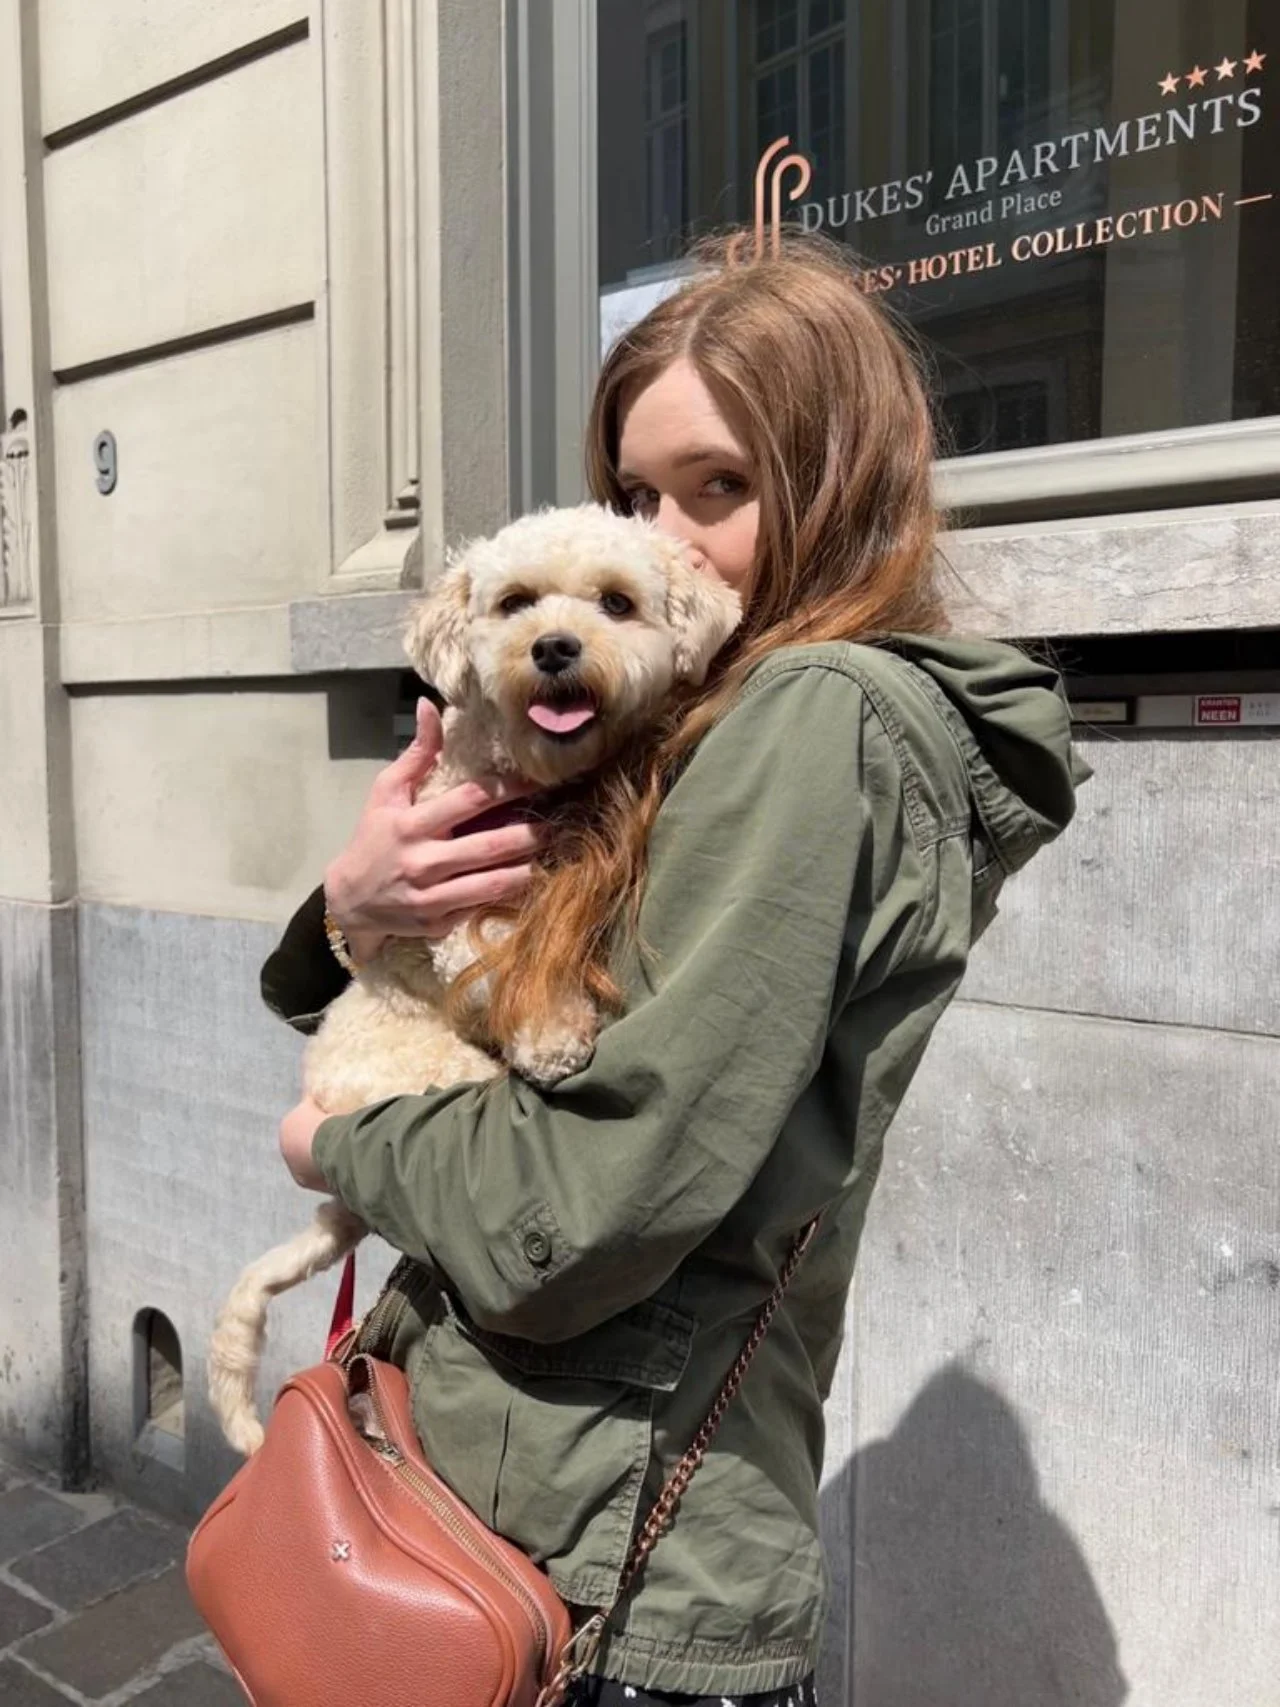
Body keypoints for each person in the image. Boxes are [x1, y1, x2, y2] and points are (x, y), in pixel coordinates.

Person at [267, 229, 1088, 1705]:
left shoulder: (812, 716)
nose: (666, 536)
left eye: (721, 488)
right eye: (639, 489)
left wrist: (336, 1139)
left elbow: (582, 1209)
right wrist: (347, 909)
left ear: (841, 481)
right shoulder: (665, 731)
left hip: (615, 1564)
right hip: (529, 1496)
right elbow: (494, 981)